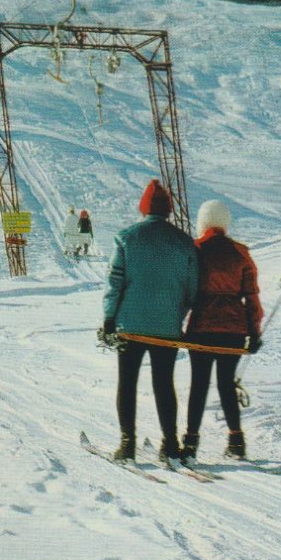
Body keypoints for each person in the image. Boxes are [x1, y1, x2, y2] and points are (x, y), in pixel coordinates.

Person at [102, 179, 198, 463]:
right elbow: (192, 290)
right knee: (164, 383)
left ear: (143, 208)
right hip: (166, 328)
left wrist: (109, 318)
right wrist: (176, 315)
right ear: (169, 210)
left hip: (129, 327)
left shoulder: (126, 238)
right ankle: (169, 444)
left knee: (127, 382)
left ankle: (127, 444)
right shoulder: (184, 242)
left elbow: (114, 282)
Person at [182, 199, 263, 462]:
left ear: (203, 222)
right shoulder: (241, 253)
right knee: (227, 384)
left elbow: (186, 292)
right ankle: (236, 441)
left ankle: (191, 443)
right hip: (234, 329)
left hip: (201, 327)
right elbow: (252, 297)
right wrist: (254, 332)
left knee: (199, 384)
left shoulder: (195, 250)